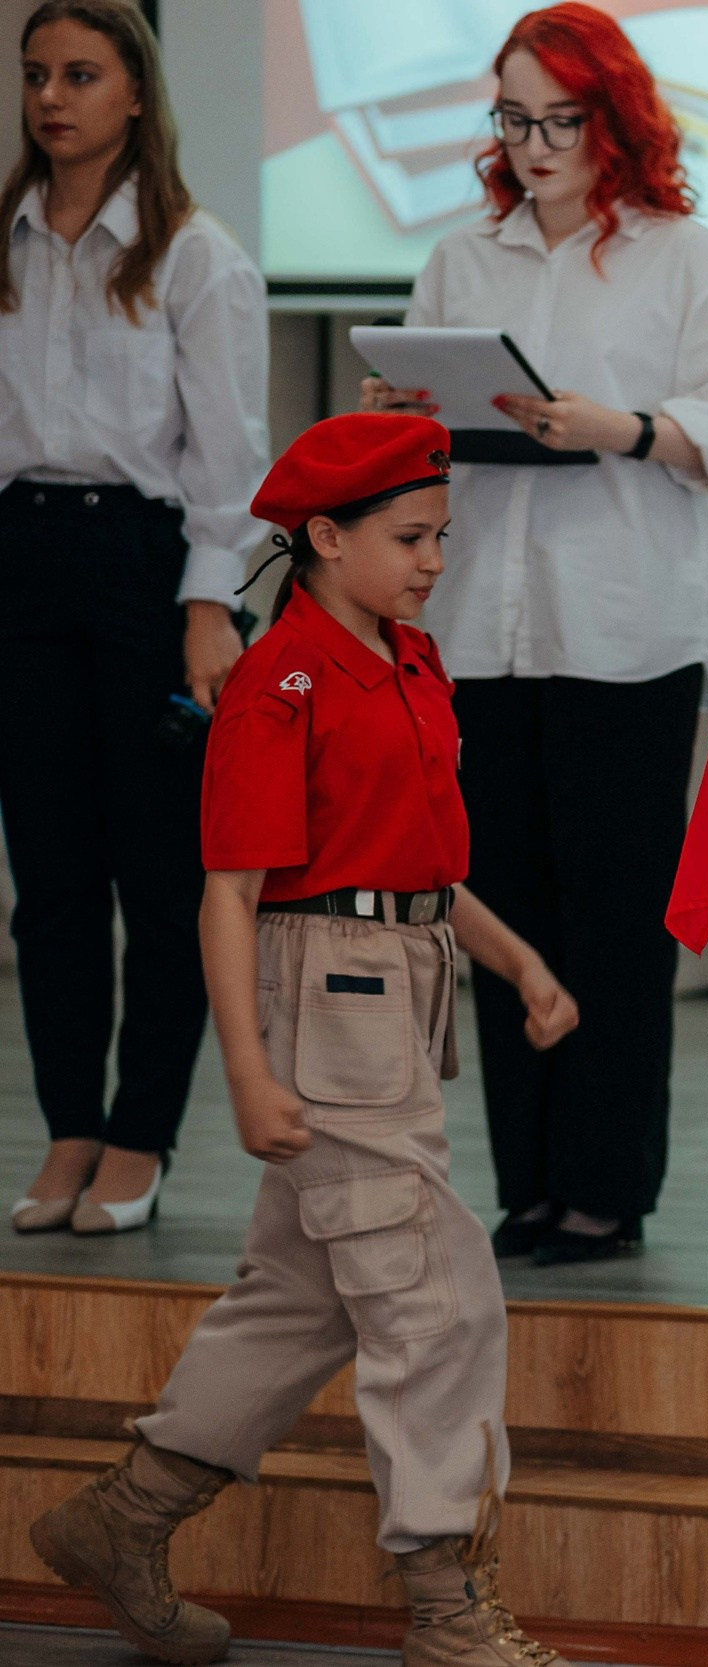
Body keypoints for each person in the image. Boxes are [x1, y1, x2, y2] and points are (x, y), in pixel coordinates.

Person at [27, 413, 582, 1667]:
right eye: (410, 537)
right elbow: (229, 893)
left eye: (442, 534)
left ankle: (124, 1519)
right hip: (324, 999)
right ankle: (445, 1603)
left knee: (301, 1293)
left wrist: (518, 960)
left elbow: (424, 864)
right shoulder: (280, 685)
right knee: (436, 1303)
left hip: (404, 982)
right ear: (324, 537)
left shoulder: (409, 658)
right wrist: (247, 1067)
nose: (435, 558)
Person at [362, 3, 708, 1266]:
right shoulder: (462, 258)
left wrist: (625, 428)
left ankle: (606, 1187)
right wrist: (397, 414)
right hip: (483, 628)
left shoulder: (678, 252)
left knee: (611, 921)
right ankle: (531, 1180)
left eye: (560, 120)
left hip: (625, 631)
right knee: (501, 917)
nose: (535, 145)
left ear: (615, 119)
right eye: (514, 120)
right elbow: (421, 439)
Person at [1, 0, 266, 1236]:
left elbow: (229, 457)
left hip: (145, 564)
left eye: (81, 74)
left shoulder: (191, 253)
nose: (53, 97)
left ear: (137, 95)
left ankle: (140, 1132)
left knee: (157, 878)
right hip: (21, 557)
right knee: (47, 875)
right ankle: (67, 1127)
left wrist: (207, 605)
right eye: (37, 74)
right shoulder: (4, 238)